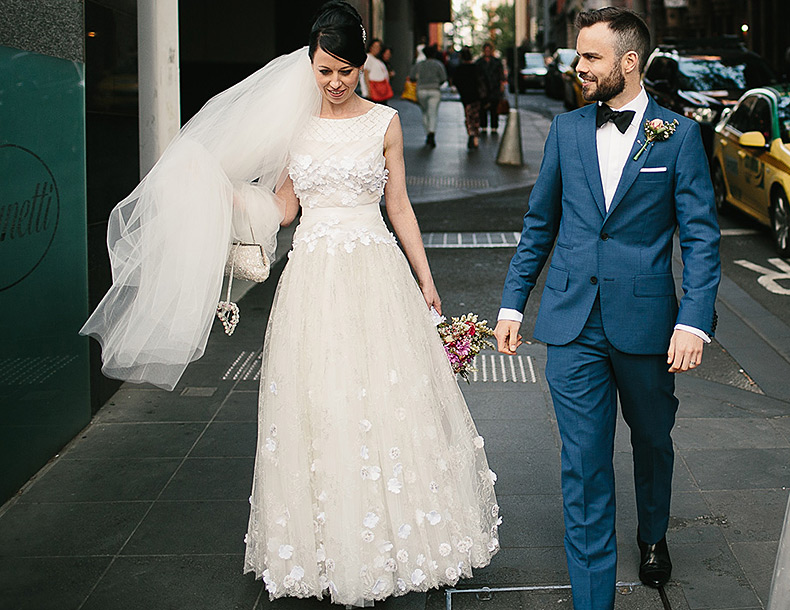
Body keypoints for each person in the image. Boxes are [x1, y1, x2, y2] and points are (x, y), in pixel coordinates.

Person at [81, 2, 500, 607]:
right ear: (309, 63)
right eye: (324, 70)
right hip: (313, 279)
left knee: (388, 395)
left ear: (361, 65)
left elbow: (400, 207)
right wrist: (223, 198)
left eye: (346, 71)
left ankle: (402, 535)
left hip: (376, 273)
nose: (333, 83)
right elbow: (283, 210)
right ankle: (326, 543)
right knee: (319, 399)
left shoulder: (384, 123)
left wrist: (426, 280)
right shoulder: (295, 130)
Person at [494, 7, 720, 610]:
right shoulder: (567, 132)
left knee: (652, 442)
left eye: (590, 57)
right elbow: (539, 222)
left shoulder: (679, 136)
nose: (577, 66)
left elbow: (700, 237)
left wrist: (693, 319)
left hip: (647, 324)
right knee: (585, 466)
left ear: (628, 62)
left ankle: (652, 535)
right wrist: (513, 304)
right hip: (571, 324)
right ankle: (593, 600)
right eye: (577, 54)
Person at [408, 45, 447, 147]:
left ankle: (427, 133)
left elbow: (411, 76)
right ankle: (432, 133)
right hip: (434, 90)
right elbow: (443, 78)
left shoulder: (419, 65)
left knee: (425, 112)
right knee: (433, 113)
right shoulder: (438, 64)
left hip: (421, 90)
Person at [452, 48, 485, 149]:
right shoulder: (476, 68)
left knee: (469, 115)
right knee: (476, 115)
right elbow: (483, 81)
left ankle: (471, 133)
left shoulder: (459, 69)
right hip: (476, 96)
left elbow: (455, 82)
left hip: (466, 97)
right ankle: (475, 135)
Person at [477, 42, 504, 134]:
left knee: (494, 108)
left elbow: (501, 75)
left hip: (494, 87)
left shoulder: (496, 62)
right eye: (486, 50)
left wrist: (501, 85)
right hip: (483, 88)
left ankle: (494, 126)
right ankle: (483, 125)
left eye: (489, 50)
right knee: (483, 108)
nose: (487, 52)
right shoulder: (479, 62)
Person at [362, 38, 393, 103]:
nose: (377, 49)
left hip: (381, 88)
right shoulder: (368, 58)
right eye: (375, 47)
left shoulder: (377, 59)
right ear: (370, 47)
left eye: (379, 47)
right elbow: (366, 74)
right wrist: (369, 91)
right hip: (374, 88)